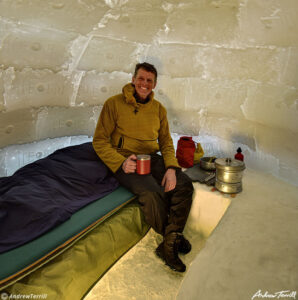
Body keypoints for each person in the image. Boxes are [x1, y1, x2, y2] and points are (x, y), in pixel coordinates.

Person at [92, 62, 194, 272]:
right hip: (126, 159)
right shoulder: (114, 104)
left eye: (149, 80)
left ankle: (169, 240)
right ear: (133, 79)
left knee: (184, 185)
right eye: (141, 78)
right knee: (151, 192)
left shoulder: (159, 110)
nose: (144, 84)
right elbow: (99, 141)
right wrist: (120, 162)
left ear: (154, 84)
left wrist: (172, 168)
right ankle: (172, 239)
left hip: (150, 157)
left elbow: (166, 142)